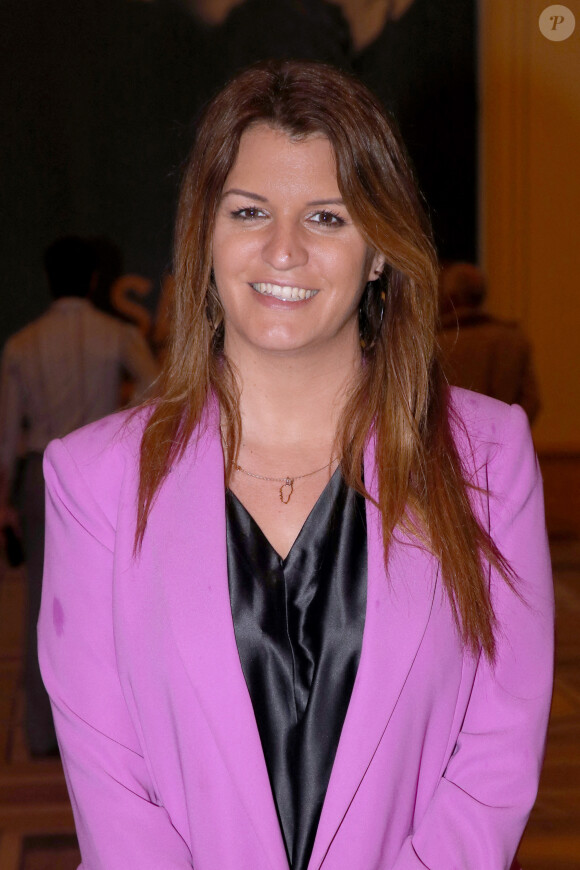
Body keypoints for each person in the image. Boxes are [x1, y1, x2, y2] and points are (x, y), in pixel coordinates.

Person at [38, 62, 553, 869]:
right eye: (249, 211)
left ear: (380, 251)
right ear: (205, 234)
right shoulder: (94, 479)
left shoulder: (487, 455)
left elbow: (497, 749)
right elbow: (113, 784)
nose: (283, 249)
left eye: (326, 217)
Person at [0, 235, 158, 756]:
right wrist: (121, 421)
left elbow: (6, 438)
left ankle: (44, 735)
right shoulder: (115, 333)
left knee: (44, 608)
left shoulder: (21, 345)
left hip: (41, 475)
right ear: (94, 280)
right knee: (118, 604)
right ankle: (116, 732)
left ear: (48, 280)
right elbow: (158, 387)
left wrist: (5, 502)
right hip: (104, 475)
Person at [438, 262, 541, 425]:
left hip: (448, 444)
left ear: (451, 298)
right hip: (502, 443)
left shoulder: (437, 344)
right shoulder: (513, 340)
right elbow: (532, 401)